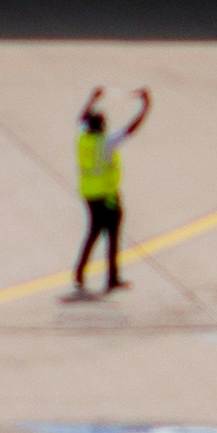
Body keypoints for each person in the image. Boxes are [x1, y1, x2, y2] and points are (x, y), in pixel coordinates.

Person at [69, 86, 148, 297]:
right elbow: (130, 130)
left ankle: (80, 272)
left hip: (88, 193)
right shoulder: (106, 143)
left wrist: (91, 99)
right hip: (107, 195)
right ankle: (111, 278)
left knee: (94, 231)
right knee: (112, 233)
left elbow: (81, 119)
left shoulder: (83, 139)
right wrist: (145, 107)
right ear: (102, 126)